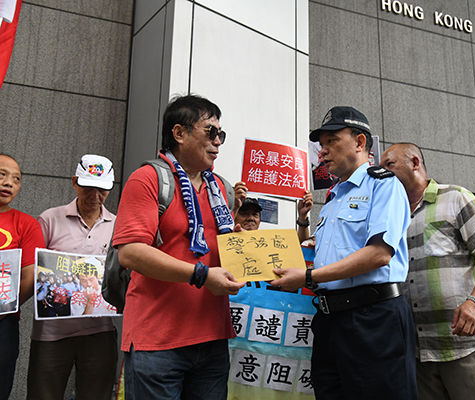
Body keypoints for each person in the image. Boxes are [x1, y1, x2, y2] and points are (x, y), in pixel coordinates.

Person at [271, 106, 417, 399]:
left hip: (373, 319)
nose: (322, 151)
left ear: (360, 142)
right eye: (320, 144)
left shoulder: (383, 185)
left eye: (331, 141)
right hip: (329, 321)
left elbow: (379, 254)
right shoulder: (334, 197)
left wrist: (308, 276)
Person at [112, 94, 245, 399]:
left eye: (221, 134)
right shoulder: (148, 179)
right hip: (157, 341)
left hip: (212, 338)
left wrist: (240, 248)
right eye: (210, 132)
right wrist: (201, 275)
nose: (217, 141)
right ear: (179, 133)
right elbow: (131, 252)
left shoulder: (220, 188)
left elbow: (216, 252)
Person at [380, 143, 475, 400]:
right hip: (419, 347)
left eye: (389, 164)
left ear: (415, 163)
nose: (383, 172)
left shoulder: (456, 197)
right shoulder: (391, 214)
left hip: (467, 343)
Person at [27, 154, 118, 400]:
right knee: (42, 395)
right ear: (74, 182)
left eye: (102, 190)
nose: (95, 196)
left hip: (100, 330)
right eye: (88, 188)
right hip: (51, 332)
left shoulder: (117, 225)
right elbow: (32, 269)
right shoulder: (49, 219)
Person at [0, 154, 45, 400]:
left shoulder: (27, 224)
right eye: (2, 175)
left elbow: (30, 277)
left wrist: (3, 308)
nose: (9, 183)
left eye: (16, 179)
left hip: (3, 321)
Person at [233, 181, 313, 241]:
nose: (250, 218)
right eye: (245, 214)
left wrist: (302, 216)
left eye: (255, 215)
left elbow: (300, 246)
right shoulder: (227, 238)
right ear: (235, 218)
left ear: (259, 220)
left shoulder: (268, 244)